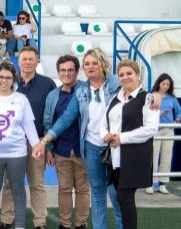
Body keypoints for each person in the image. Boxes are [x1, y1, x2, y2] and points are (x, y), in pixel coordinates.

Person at [32, 48, 124, 229]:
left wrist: (154, 97)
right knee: (96, 193)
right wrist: (45, 142)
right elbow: (65, 118)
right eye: (87, 63)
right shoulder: (81, 91)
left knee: (116, 194)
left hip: (113, 146)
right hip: (88, 147)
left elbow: (134, 90)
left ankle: (108, 224)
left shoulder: (113, 82)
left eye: (94, 63)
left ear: (102, 64)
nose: (90, 66)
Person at [0, 62, 39, 229]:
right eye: (1, 77)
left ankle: (19, 225)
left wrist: (37, 145)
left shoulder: (21, 99)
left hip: (17, 153)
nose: (4, 80)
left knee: (18, 189)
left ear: (13, 79)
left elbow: (29, 126)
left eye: (8, 77)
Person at [0, 47, 56, 229]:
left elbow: (51, 117)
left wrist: (48, 148)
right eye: (24, 59)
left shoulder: (48, 84)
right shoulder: (8, 82)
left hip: (37, 142)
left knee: (37, 183)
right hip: (12, 142)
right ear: (19, 62)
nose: (28, 62)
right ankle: (6, 220)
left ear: (38, 61)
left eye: (32, 59)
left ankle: (40, 222)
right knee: (10, 183)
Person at [99, 59, 159, 229]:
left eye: (129, 73)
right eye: (121, 74)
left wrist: (122, 138)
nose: (125, 77)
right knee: (122, 200)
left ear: (138, 75)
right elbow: (103, 124)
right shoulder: (115, 98)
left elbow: (150, 129)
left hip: (133, 159)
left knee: (125, 198)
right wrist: (106, 135)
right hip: (115, 160)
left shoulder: (147, 98)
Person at [43, 55, 89, 229]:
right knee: (64, 189)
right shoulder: (52, 96)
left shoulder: (86, 90)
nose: (67, 73)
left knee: (83, 189)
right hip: (61, 150)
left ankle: (81, 224)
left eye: (70, 70)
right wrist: (49, 148)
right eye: (63, 70)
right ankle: (64, 224)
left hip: (83, 149)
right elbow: (48, 122)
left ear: (77, 71)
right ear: (58, 72)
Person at [147, 73, 181, 194]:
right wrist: (157, 114)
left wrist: (177, 118)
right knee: (153, 157)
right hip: (155, 130)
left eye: (168, 84)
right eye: (164, 84)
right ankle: (152, 183)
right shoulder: (151, 96)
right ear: (159, 83)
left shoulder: (172, 98)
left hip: (168, 130)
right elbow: (145, 112)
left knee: (167, 157)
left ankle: (162, 184)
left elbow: (179, 112)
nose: (166, 86)